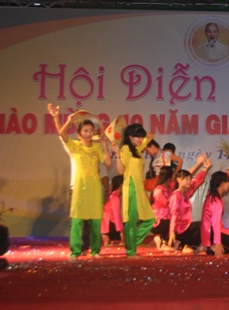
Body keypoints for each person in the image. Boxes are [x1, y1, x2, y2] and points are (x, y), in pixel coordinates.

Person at [48, 104, 111, 260]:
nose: (89, 133)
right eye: (85, 131)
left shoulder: (97, 148)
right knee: (77, 220)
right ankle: (75, 251)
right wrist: (63, 119)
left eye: (91, 131)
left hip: (95, 187)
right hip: (79, 187)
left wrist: (104, 146)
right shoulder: (74, 146)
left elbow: (108, 163)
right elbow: (62, 134)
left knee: (95, 220)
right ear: (79, 134)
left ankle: (95, 251)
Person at [113, 123, 157, 257]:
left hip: (139, 187)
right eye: (137, 137)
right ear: (130, 137)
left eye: (141, 137)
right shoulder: (125, 149)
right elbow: (121, 171)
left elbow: (151, 135)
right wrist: (117, 154)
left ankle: (130, 244)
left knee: (150, 219)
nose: (140, 139)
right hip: (131, 186)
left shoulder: (137, 148)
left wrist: (131, 129)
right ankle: (131, 250)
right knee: (131, 220)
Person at [200, 166, 229, 256]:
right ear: (222, 184)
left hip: (207, 233)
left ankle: (211, 247)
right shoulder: (216, 202)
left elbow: (218, 179)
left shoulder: (210, 195)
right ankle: (213, 246)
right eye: (228, 182)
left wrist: (228, 171)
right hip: (212, 233)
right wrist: (217, 242)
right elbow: (215, 223)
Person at [168, 157, 212, 253]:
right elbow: (174, 215)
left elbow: (197, 180)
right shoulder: (175, 196)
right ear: (178, 180)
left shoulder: (187, 193)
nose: (189, 181)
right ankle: (186, 245)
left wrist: (205, 168)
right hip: (179, 229)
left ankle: (186, 245)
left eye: (190, 179)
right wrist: (172, 232)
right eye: (186, 179)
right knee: (201, 224)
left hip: (187, 227)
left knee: (204, 225)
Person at [100, 175, 124, 247]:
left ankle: (106, 236)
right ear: (121, 185)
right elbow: (116, 216)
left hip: (105, 225)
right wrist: (121, 231)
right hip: (108, 225)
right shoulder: (115, 197)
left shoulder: (112, 195)